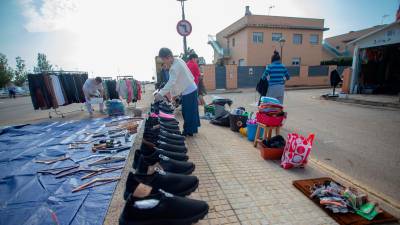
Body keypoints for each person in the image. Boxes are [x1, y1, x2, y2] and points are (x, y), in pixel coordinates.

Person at [155, 48, 200, 136]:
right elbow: (176, 81)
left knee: (187, 112)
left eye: (163, 60)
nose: (164, 62)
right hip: (191, 88)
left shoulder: (174, 68)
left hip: (189, 90)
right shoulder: (179, 60)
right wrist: (174, 95)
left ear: (168, 57)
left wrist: (160, 94)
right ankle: (192, 130)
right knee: (192, 111)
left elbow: (171, 83)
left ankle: (188, 131)